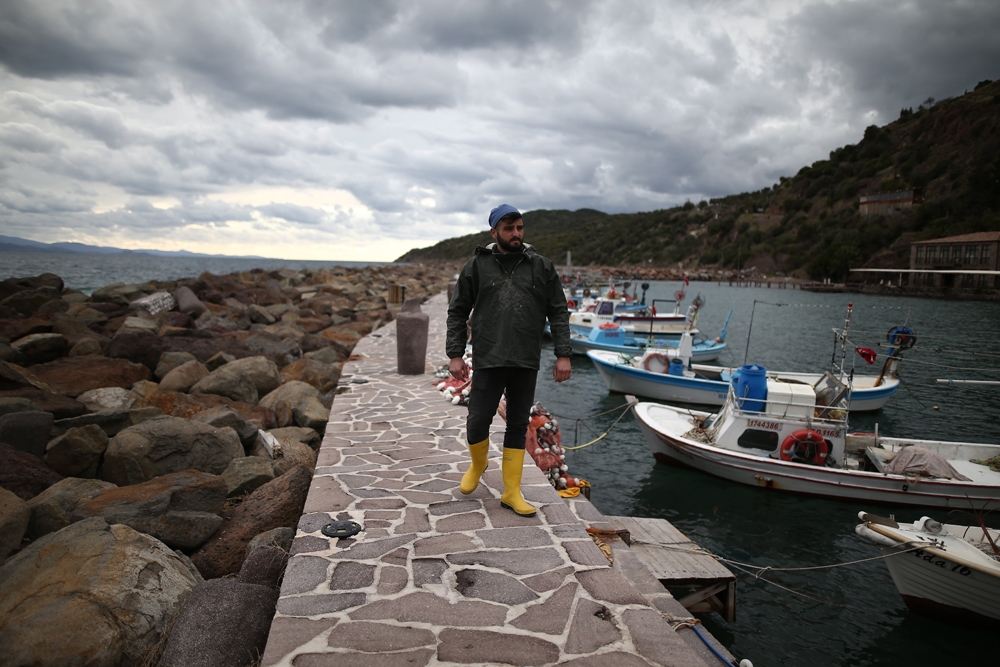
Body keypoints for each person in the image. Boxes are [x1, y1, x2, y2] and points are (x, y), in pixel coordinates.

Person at [446, 203, 572, 517]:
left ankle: (511, 491)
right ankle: (478, 463)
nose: (516, 234)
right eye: (508, 228)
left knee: (517, 425)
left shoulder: (541, 266)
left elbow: (558, 312)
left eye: (519, 227)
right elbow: (458, 311)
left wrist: (563, 354)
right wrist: (455, 354)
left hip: (525, 361)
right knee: (477, 421)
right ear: (494, 232)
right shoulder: (477, 266)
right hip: (488, 357)